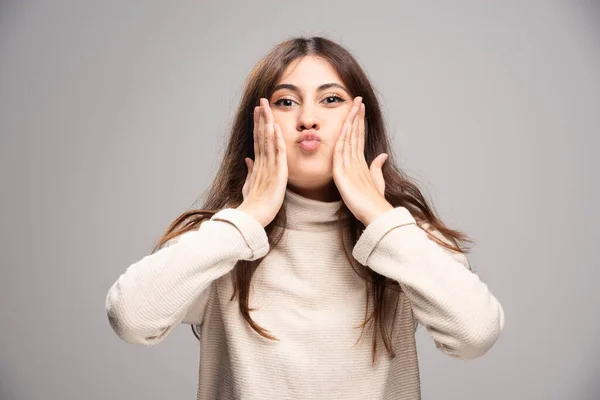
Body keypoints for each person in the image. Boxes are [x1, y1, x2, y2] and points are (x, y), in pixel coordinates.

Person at [105, 36, 505, 400]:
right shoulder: (222, 240)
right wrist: (247, 219)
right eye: (285, 101)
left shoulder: (402, 239)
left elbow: (476, 335)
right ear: (257, 127)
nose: (308, 119)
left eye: (331, 99)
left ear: (363, 121)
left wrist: (379, 216)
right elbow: (131, 319)